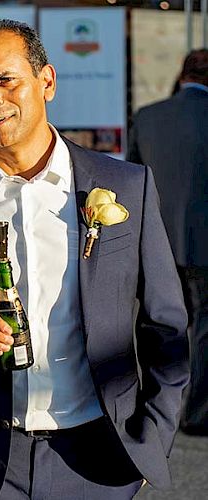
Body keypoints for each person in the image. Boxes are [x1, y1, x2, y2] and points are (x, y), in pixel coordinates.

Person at [0, 19, 189, 500]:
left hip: (99, 459)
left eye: (4, 79)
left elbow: (166, 328)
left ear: (47, 81)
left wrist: (150, 441)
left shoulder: (125, 187)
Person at [128, 49, 208, 435]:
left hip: (157, 242)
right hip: (205, 244)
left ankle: (154, 412)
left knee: (161, 327)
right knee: (205, 328)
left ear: (182, 75)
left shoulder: (148, 117)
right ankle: (197, 414)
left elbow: (130, 181)